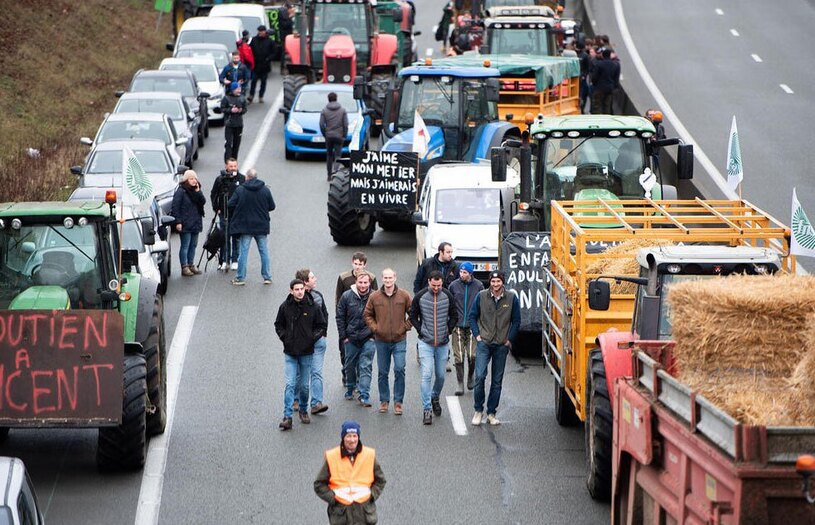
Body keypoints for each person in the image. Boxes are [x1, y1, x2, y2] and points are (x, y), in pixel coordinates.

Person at [468, 271, 521, 426]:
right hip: (484, 342)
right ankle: (478, 410)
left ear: (502, 282)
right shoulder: (481, 296)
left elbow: (516, 320)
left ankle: (491, 413)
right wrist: (477, 335)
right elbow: (472, 316)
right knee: (479, 377)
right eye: (493, 281)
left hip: (501, 345)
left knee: (497, 381)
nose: (495, 284)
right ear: (490, 282)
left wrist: (509, 340)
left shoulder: (511, 298)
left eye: (498, 281)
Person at [275, 278, 327, 430]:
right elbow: (279, 325)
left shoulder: (313, 307)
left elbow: (321, 325)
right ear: (291, 291)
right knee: (290, 384)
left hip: (306, 352)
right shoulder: (285, 307)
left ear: (305, 289)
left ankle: (303, 410)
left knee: (304, 386)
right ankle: (287, 416)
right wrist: (285, 338)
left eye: (301, 289)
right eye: (296, 289)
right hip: (290, 353)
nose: (299, 292)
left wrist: (311, 339)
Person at [314, 421, 386, 525]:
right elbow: (319, 484)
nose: (352, 440)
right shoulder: (332, 456)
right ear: (343, 437)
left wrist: (372, 495)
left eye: (354, 436)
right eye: (348, 436)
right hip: (341, 514)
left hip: (364, 513)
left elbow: (381, 480)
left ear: (358, 437)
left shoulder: (369, 455)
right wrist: (333, 499)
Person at [409, 271, 457, 425]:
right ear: (429, 281)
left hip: (442, 344)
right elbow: (412, 315)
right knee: (426, 375)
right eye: (433, 285)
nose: (436, 288)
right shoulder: (421, 296)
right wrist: (420, 330)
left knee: (441, 376)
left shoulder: (448, 296)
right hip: (426, 343)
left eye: (439, 285)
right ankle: (427, 408)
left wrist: (448, 330)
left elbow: (454, 315)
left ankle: (435, 395)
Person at [363, 268, 412, 415]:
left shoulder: (404, 295)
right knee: (383, 372)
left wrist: (405, 327)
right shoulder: (374, 296)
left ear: (395, 278)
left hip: (399, 340)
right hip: (381, 340)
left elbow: (414, 313)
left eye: (390, 278)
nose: (388, 280)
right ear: (382, 279)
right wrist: (375, 328)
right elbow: (367, 315)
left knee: (399, 369)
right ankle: (384, 400)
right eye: (385, 278)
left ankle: (398, 402)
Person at [335, 252, 379, 387]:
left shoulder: (371, 277)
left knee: (363, 355)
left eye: (361, 264)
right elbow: (338, 300)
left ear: (365, 265)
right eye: (356, 263)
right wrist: (341, 324)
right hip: (348, 321)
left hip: (365, 323)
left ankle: (360, 380)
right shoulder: (343, 278)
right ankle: (347, 374)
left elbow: (376, 299)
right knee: (345, 352)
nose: (358, 266)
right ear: (352, 262)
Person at [226, 168, 276, 285]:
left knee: (243, 252)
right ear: (256, 177)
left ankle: (240, 278)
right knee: (264, 252)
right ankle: (267, 277)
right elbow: (272, 206)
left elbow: (230, 204)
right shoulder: (265, 190)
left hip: (245, 226)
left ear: (247, 177)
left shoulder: (240, 190)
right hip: (261, 226)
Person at [295, 268, 330, 415]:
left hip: (317, 341)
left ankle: (316, 403)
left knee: (316, 372)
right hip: (301, 344)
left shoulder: (318, 296)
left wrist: (323, 335)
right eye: (312, 277)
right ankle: (296, 400)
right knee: (300, 373)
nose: (315, 279)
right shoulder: (293, 300)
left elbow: (325, 315)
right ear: (304, 282)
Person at [337, 273, 375, 407]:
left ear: (369, 283)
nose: (363, 285)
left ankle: (364, 394)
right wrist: (344, 337)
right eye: (361, 282)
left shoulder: (375, 296)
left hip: (368, 338)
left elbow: (380, 317)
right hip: (351, 338)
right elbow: (340, 317)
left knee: (365, 365)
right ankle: (350, 387)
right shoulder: (346, 296)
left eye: (366, 283)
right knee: (350, 365)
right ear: (356, 282)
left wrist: (373, 335)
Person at [448, 261, 483, 395]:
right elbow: (449, 304)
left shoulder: (478, 286)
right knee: (459, 357)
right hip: (457, 325)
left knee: (472, 355)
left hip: (472, 325)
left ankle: (470, 376)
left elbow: (482, 305)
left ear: (470, 273)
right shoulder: (453, 286)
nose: (462, 275)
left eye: (465, 272)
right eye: (461, 272)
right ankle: (460, 383)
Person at [210, 158, 245, 271]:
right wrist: (216, 208)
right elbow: (213, 194)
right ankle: (225, 260)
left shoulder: (241, 178)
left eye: (235, 166)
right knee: (225, 237)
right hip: (223, 212)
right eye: (231, 166)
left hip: (237, 214)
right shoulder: (220, 179)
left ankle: (235, 260)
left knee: (236, 238)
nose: (233, 168)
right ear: (226, 167)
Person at [171, 170, 206, 276]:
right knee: (185, 245)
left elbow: (202, 201)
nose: (194, 181)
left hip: (196, 222)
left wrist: (198, 191)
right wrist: (178, 222)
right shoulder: (181, 191)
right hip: (185, 222)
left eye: (195, 178)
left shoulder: (196, 190)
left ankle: (191, 264)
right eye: (191, 179)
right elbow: (175, 207)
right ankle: (184, 266)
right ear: (186, 180)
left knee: (193, 245)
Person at [319, 92, 348, 181]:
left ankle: (329, 174)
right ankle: (336, 171)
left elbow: (321, 124)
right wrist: (344, 135)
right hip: (339, 135)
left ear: (328, 99)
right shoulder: (342, 110)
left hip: (329, 136)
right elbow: (345, 124)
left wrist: (325, 134)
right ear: (336, 98)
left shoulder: (324, 110)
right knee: (338, 155)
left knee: (329, 155)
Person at [220, 82, 247, 163]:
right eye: (237, 89)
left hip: (239, 125)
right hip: (229, 124)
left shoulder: (242, 98)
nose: (239, 90)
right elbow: (222, 109)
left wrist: (241, 110)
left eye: (240, 88)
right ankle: (227, 162)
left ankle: (234, 162)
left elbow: (245, 109)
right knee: (228, 144)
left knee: (236, 145)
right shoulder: (226, 98)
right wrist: (230, 110)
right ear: (233, 89)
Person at [590, 48, 620, 115]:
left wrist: (594, 84)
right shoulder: (615, 64)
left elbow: (594, 77)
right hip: (610, 88)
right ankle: (606, 120)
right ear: (609, 55)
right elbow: (616, 78)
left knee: (596, 106)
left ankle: (597, 120)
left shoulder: (599, 64)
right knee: (607, 106)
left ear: (603, 55)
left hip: (599, 87)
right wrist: (614, 87)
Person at [249, 25, 274, 103]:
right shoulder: (254, 40)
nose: (260, 33)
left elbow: (274, 52)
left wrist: (268, 59)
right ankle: (251, 95)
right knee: (253, 81)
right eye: (259, 31)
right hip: (256, 65)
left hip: (265, 65)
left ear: (265, 32)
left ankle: (261, 96)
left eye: (262, 31)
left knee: (263, 81)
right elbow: (250, 50)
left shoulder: (269, 41)